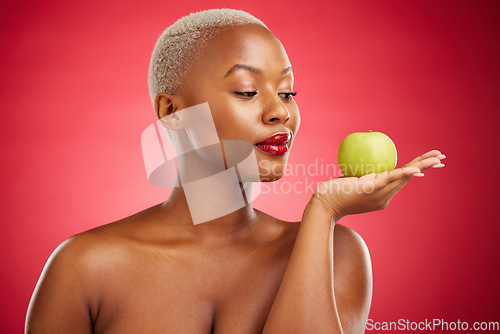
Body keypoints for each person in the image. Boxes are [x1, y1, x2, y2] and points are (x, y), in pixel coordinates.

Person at [25, 8, 445, 334]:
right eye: (247, 91)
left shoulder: (336, 252)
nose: (281, 111)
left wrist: (323, 210)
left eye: (287, 91)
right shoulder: (84, 267)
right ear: (173, 113)